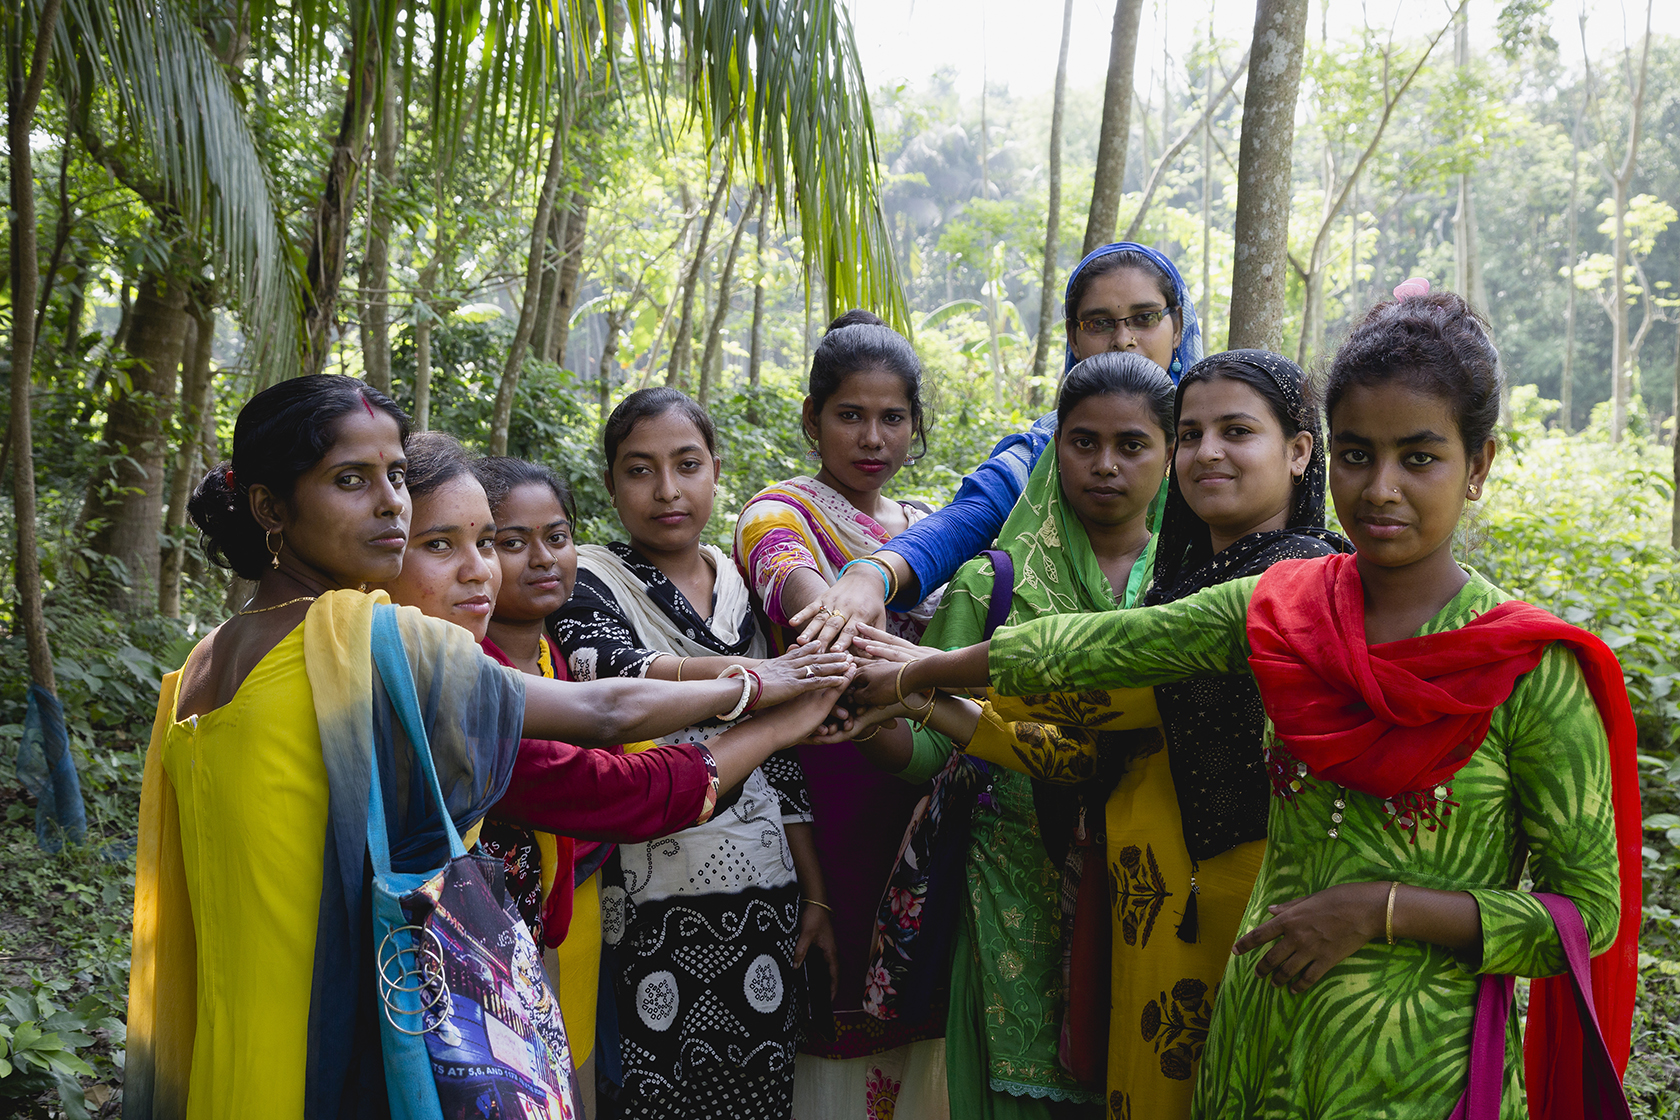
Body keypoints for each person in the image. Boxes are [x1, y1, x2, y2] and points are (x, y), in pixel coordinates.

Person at [851, 287, 1641, 1119]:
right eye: (1359, 455)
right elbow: (1100, 648)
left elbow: (1587, 918)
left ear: (1478, 465)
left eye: (1419, 457)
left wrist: (1383, 911)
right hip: (1249, 1050)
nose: (1379, 489)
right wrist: (917, 674)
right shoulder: (1293, 606)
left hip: (1416, 1071)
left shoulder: (1529, 669)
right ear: (1326, 457)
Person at [124, 376, 853, 1120]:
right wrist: (770, 686)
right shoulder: (366, 636)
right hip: (337, 1031)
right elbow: (606, 708)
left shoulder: (197, 667)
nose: (389, 505)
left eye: (396, 477)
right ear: (271, 508)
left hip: (232, 1029)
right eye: (351, 481)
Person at [842, 350, 1177, 1119]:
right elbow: (929, 751)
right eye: (1082, 442)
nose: (1104, 465)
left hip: (1153, 892)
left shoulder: (1193, 591)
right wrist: (865, 717)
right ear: (1054, 450)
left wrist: (916, 691)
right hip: (1010, 892)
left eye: (1132, 446)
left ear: (1170, 453)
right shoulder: (992, 584)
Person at [551, 387, 838, 1120]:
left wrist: (813, 889)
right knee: (651, 1090)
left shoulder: (745, 585)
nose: (667, 490)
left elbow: (784, 757)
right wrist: (761, 680)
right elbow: (608, 674)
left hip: (763, 894)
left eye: (686, 464)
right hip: (646, 903)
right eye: (640, 470)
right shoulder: (588, 577)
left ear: (716, 469)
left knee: (757, 1092)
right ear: (611, 483)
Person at [733, 311, 950, 1120]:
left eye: (893, 417)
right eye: (849, 415)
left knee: (921, 1001)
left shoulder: (928, 527)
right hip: (826, 792)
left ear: (916, 425)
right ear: (811, 419)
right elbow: (803, 594)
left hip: (923, 794)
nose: (872, 437)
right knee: (836, 999)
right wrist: (858, 623)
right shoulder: (777, 512)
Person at [792, 243, 1202, 651]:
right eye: (1099, 323)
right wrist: (873, 575)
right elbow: (966, 519)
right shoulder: (1043, 451)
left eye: (1145, 318)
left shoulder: (1209, 450)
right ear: (1073, 338)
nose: (1123, 340)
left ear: (1177, 324)